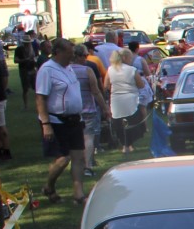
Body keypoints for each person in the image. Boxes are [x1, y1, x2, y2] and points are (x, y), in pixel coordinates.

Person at [35, 38, 87, 202]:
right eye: (69, 53)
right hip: (56, 121)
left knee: (78, 157)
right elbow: (41, 98)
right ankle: (49, 185)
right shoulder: (47, 70)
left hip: (74, 120)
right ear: (58, 52)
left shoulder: (69, 68)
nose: (72, 56)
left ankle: (78, 194)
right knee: (63, 159)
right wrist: (46, 124)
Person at [71, 44, 107, 178]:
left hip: (71, 111)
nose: (87, 58)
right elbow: (96, 91)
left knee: (76, 139)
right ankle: (87, 166)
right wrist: (105, 108)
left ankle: (76, 165)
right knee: (88, 138)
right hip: (88, 108)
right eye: (85, 55)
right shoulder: (87, 70)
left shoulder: (65, 70)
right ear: (79, 56)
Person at [107, 47, 145, 154]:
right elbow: (140, 84)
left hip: (116, 99)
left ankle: (124, 144)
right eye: (130, 57)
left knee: (119, 123)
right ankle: (130, 144)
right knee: (132, 121)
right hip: (130, 99)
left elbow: (106, 85)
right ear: (125, 57)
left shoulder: (110, 69)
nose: (131, 60)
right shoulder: (132, 70)